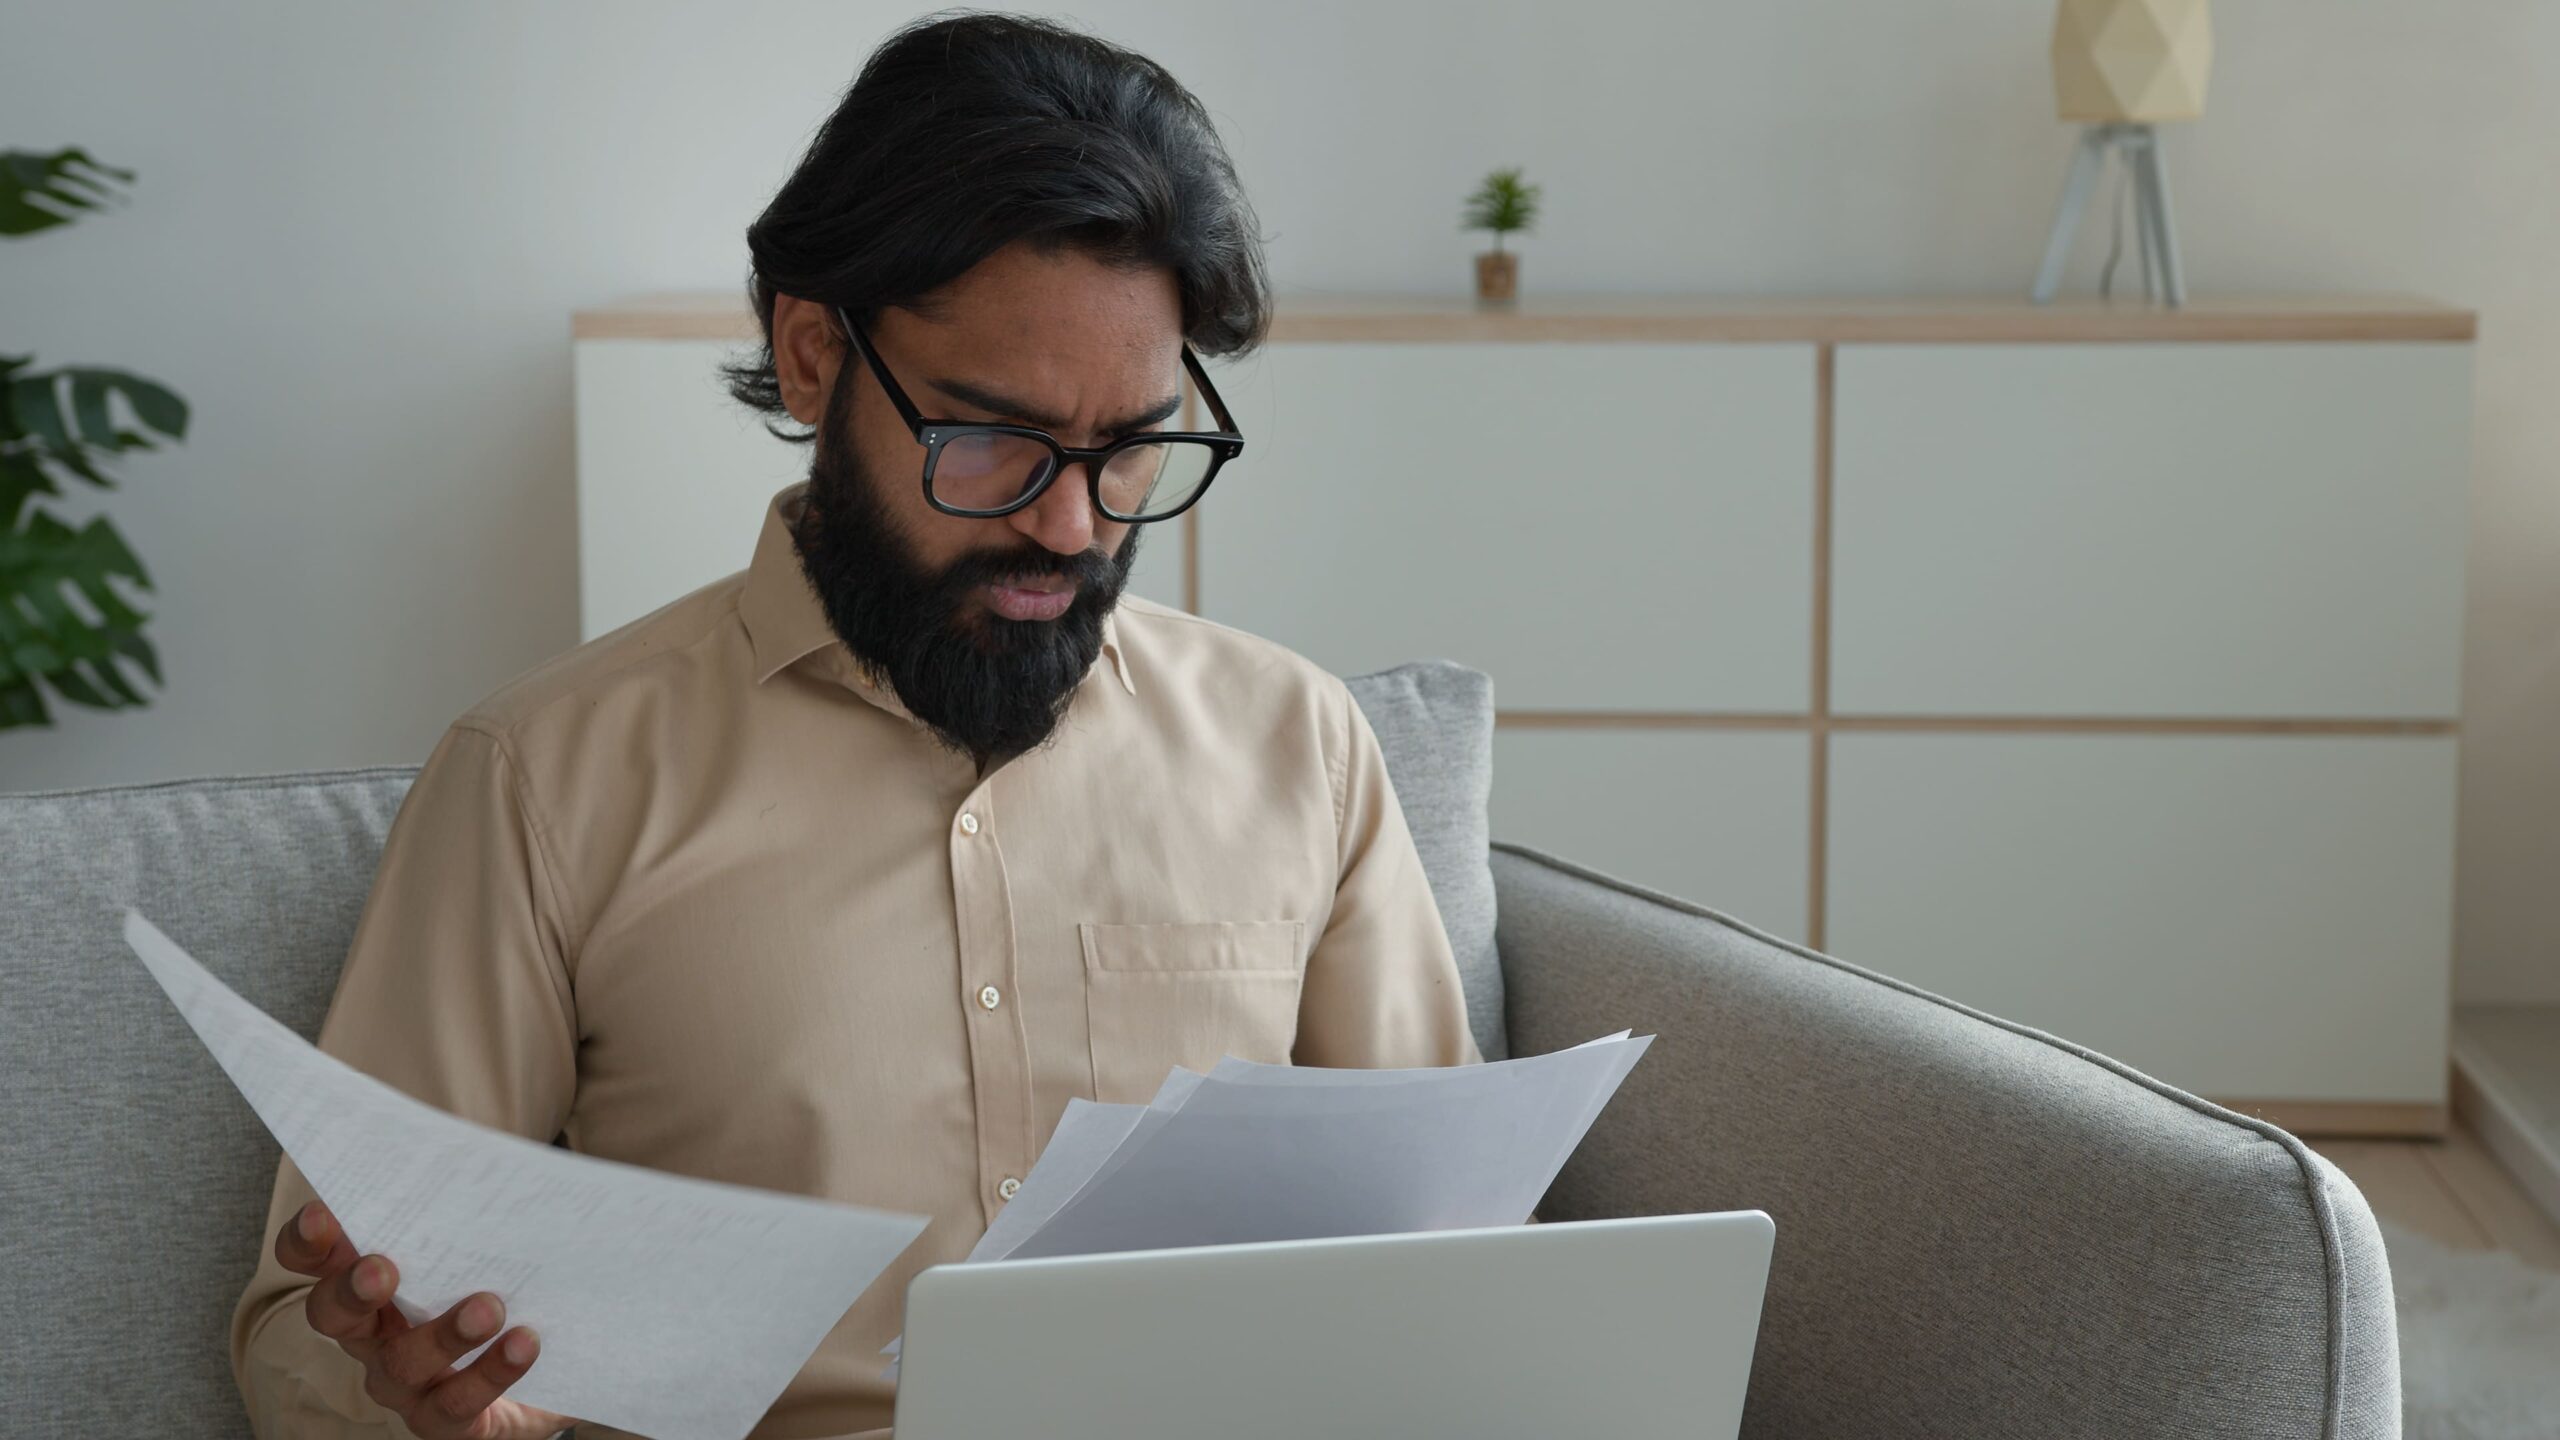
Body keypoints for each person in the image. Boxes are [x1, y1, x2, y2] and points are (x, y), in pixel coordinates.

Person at [228, 11, 1478, 1438]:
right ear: (814, 353)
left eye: (1130, 447)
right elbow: (305, 1331)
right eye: (991, 437)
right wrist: (443, 1414)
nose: (1068, 524)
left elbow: (1450, 1262)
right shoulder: (545, 781)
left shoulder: (1300, 750)